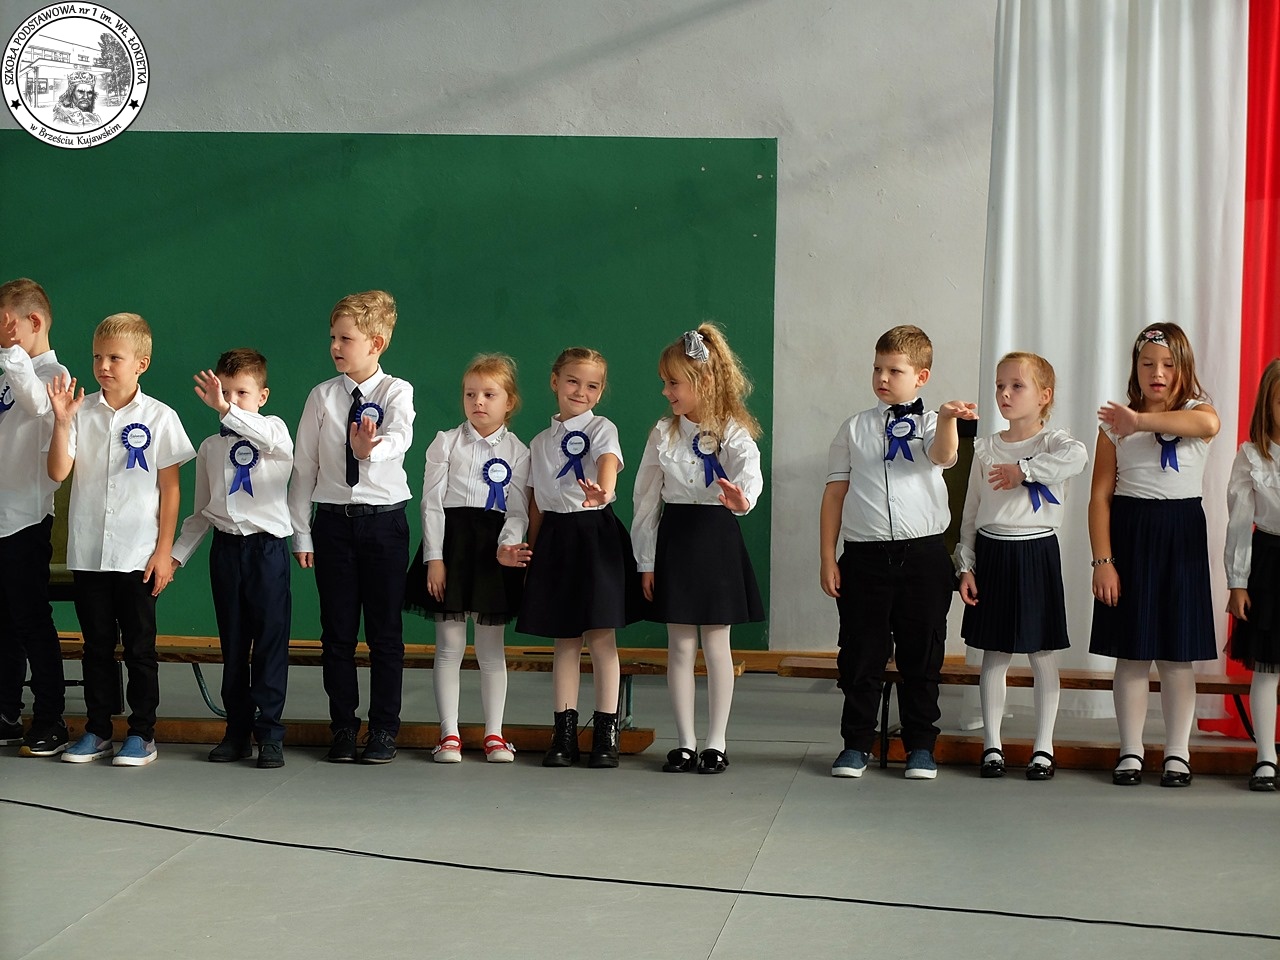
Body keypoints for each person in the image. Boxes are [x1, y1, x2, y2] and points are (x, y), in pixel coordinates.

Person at [820, 325, 977, 780]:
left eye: (895, 370)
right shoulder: (853, 428)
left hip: (923, 558)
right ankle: (856, 744)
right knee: (860, 654)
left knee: (922, 655)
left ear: (921, 376)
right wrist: (828, 557)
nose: (883, 378)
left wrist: (946, 418)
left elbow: (943, 457)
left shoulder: (932, 425)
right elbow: (835, 494)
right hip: (864, 558)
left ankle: (921, 746)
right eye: (877, 369)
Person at [48, 313, 195, 766]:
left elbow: (170, 489)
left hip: (138, 554)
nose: (103, 366)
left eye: (115, 358)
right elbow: (58, 472)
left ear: (141, 364)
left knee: (139, 649)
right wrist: (60, 422)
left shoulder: (160, 417)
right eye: (97, 357)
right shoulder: (80, 412)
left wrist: (164, 551)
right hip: (90, 552)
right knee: (95, 647)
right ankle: (97, 730)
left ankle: (142, 733)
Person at [1090, 323, 1219, 787]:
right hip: (1131, 536)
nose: (1157, 373)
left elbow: (1209, 426)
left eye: (1167, 365)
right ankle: (1131, 750)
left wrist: (1140, 422)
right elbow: (1100, 497)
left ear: (1184, 369)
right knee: (1132, 653)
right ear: (1135, 368)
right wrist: (1103, 561)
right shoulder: (1113, 425)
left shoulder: (1196, 412)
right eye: (1147, 364)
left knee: (1177, 657)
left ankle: (1177, 753)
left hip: (1182, 538)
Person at [289, 290, 414, 764]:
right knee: (337, 633)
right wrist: (301, 531)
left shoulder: (396, 391)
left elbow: (400, 436)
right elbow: (304, 467)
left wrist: (370, 450)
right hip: (333, 526)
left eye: (346, 339)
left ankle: (383, 729)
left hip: (384, 524)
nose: (335, 347)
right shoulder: (322, 396)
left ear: (376, 343)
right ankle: (343, 726)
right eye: (332, 338)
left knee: (385, 634)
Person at [632, 325, 764, 774]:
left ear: (703, 381)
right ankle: (685, 742)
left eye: (673, 382)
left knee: (717, 643)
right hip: (676, 540)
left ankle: (716, 742)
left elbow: (749, 471)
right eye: (664, 382)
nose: (665, 391)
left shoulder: (733, 430)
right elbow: (646, 500)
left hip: (716, 539)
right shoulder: (662, 434)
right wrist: (646, 561)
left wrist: (742, 499)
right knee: (680, 645)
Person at [500, 347, 636, 768]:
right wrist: (533, 554)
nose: (581, 391)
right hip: (556, 539)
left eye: (592, 386)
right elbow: (537, 503)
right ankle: (563, 734)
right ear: (555, 381)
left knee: (601, 636)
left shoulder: (602, 428)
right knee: (565, 639)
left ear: (600, 392)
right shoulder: (539, 443)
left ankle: (606, 733)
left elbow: (608, 462)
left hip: (595, 535)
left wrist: (604, 491)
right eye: (573, 381)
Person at [955, 352, 1086, 780]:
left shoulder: (1054, 444)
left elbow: (1078, 459)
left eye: (1016, 386)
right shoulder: (985, 448)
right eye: (1000, 386)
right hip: (993, 554)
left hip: (1036, 552)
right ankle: (992, 744)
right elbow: (971, 511)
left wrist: (1024, 471)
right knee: (994, 652)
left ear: (1044, 396)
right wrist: (966, 564)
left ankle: (1043, 747)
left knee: (1042, 652)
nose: (1005, 394)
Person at [171, 350, 294, 768]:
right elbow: (201, 512)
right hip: (226, 551)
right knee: (234, 643)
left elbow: (268, 437)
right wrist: (175, 557)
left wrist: (228, 410)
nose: (231, 400)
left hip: (267, 552)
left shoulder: (275, 431)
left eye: (242, 392)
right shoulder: (210, 448)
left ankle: (270, 734)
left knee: (271, 644)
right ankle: (237, 731)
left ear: (263, 396)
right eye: (224, 392)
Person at [405, 354, 529, 764]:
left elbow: (518, 511)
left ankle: (494, 735)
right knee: (449, 646)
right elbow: (431, 503)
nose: (478, 401)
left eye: (489, 394)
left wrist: (508, 546)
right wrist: (434, 558)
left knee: (491, 650)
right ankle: (449, 735)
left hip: (493, 555)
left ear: (509, 402)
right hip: (452, 548)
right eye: (470, 393)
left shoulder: (519, 452)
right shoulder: (446, 442)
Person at [0, 279, 70, 757]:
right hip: (0, 516)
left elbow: (36, 402)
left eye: (6, 327)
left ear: (35, 322)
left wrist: (10, 354)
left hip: (25, 519)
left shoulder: (53, 374)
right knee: (3, 624)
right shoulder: (9, 369)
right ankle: (7, 713)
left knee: (31, 621)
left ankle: (50, 718)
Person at [1224, 359, 1280, 792]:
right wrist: (1237, 582)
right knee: (1268, 666)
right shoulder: (1252, 456)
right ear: (1268, 405)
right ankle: (1265, 757)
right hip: (1270, 565)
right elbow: (1240, 524)